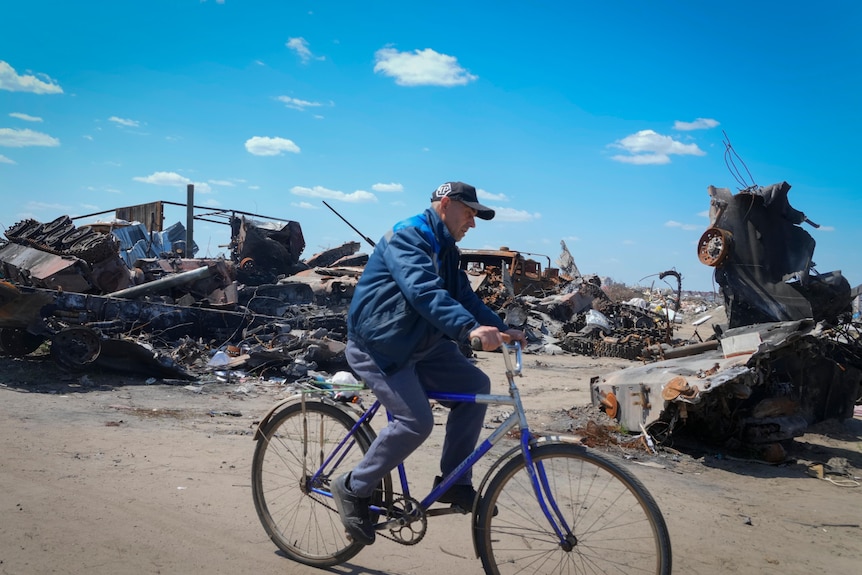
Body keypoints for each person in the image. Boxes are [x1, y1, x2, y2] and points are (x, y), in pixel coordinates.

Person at [331, 181, 526, 546]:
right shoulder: (409, 236)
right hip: (381, 344)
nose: (472, 222)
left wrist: (502, 328)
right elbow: (423, 291)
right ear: (445, 204)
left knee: (475, 388)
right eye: (468, 213)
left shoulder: (447, 249)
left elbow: (464, 296)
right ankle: (353, 486)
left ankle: (455, 481)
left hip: (421, 345)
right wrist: (470, 330)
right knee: (415, 422)